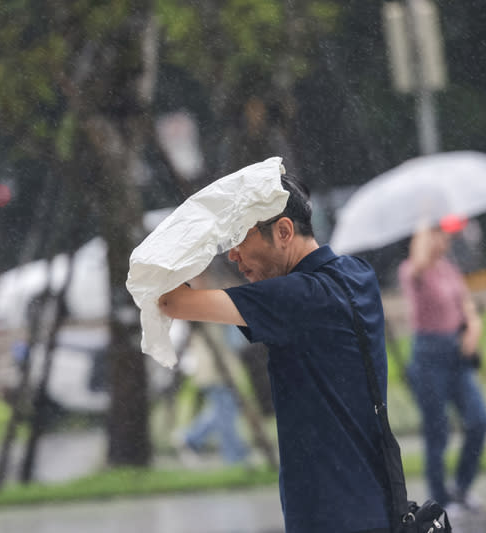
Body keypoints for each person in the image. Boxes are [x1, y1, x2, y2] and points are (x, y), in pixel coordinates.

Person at [159, 174, 392, 533]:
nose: (233, 255)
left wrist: (193, 229)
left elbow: (171, 300)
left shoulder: (296, 298)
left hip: (328, 512)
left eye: (239, 239)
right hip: (378, 500)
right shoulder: (358, 275)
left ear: (284, 231)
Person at [398, 215, 486, 512]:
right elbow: (419, 264)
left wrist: (474, 327)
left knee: (479, 420)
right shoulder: (413, 272)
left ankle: (462, 487)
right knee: (437, 432)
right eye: (436, 234)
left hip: (457, 354)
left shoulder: (450, 269)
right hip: (429, 355)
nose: (443, 239)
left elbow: (467, 306)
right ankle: (439, 499)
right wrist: (423, 226)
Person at [175, 319, 250, 465]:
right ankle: (234, 455)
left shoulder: (201, 314)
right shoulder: (214, 314)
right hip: (217, 369)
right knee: (226, 413)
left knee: (223, 411)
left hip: (214, 368)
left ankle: (191, 438)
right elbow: (236, 341)